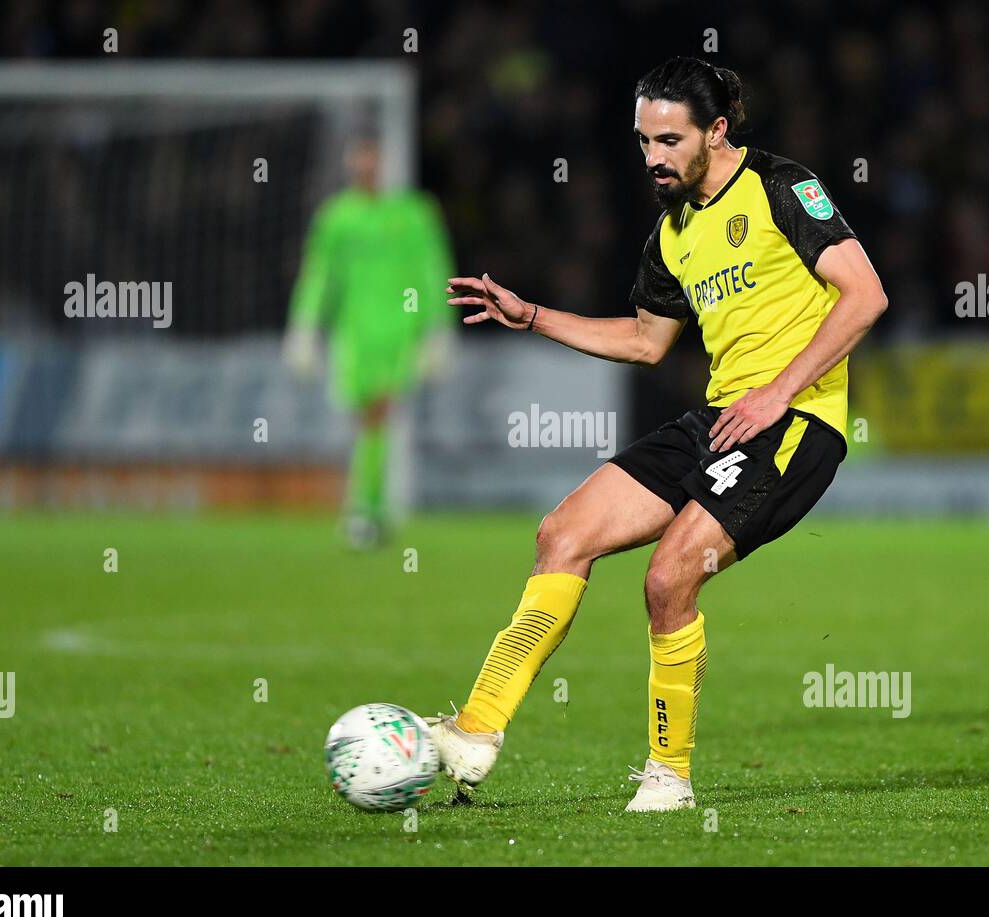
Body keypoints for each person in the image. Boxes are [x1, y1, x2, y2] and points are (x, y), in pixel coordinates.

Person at [432, 56, 888, 811]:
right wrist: (534, 316)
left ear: (716, 130)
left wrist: (780, 391)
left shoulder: (781, 187)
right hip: (719, 418)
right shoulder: (672, 232)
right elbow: (647, 341)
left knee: (668, 577)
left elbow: (866, 294)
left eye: (669, 141)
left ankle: (669, 777)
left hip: (795, 425)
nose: (653, 158)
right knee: (562, 532)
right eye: (643, 141)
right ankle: (474, 732)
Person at [284, 136, 455, 547]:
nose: (366, 166)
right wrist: (304, 326)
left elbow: (432, 270)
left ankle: (364, 509)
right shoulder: (337, 217)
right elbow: (318, 274)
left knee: (377, 414)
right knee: (368, 421)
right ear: (350, 163)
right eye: (359, 159)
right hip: (353, 333)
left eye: (373, 158)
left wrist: (438, 329)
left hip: (400, 331)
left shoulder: (415, 213)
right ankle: (371, 508)